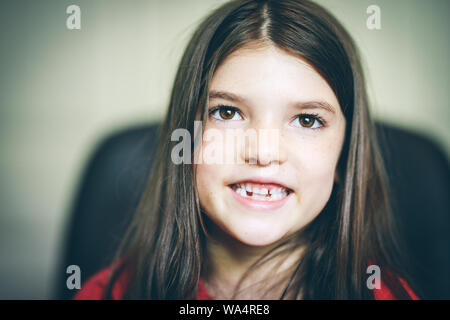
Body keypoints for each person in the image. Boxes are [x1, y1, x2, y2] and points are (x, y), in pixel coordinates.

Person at [74, 0, 419, 300]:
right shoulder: (109, 293)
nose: (264, 153)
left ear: (344, 157)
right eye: (227, 113)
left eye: (307, 120)